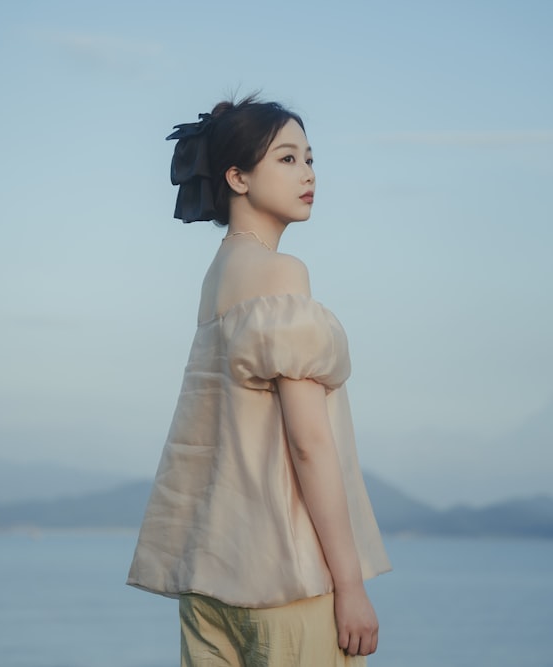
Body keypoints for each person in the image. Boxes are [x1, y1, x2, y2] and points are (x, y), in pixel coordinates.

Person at [127, 96, 391, 666]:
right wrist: (350, 586)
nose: (309, 174)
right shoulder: (281, 272)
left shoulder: (217, 277)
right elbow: (308, 441)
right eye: (288, 159)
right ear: (238, 177)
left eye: (310, 159)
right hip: (286, 583)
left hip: (210, 582)